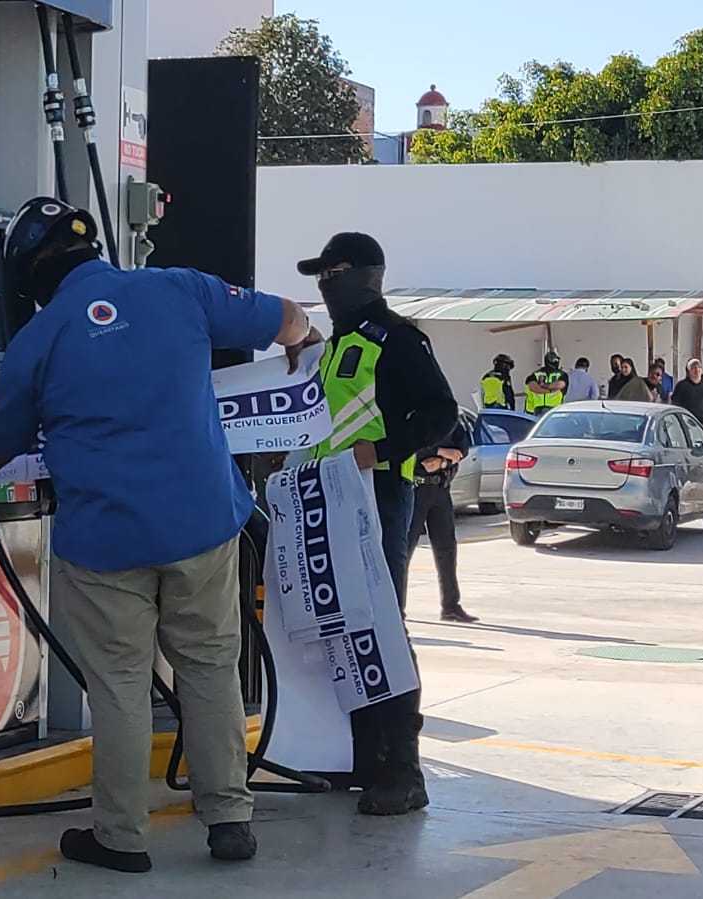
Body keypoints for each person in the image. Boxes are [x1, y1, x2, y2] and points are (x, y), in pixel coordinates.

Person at [0, 197, 322, 872]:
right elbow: (289, 317)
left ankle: (121, 837)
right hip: (202, 523)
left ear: (31, 271)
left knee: (121, 685)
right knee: (209, 668)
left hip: (105, 541)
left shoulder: (38, 339)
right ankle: (229, 819)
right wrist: (301, 340)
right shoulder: (179, 289)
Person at [298, 232, 456, 816]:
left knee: (383, 625)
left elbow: (441, 412)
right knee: (342, 626)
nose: (324, 284)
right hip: (329, 499)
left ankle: (404, 769)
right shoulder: (337, 344)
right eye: (319, 275)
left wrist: (382, 451)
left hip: (381, 498)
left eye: (333, 272)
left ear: (365, 274)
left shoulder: (397, 339)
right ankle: (362, 757)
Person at [406, 417, 479, 623]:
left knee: (446, 548)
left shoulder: (448, 418)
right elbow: (408, 447)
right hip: (416, 488)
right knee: (404, 549)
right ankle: (396, 607)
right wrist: (439, 451)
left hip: (441, 488)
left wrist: (442, 460)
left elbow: (461, 448)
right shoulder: (412, 416)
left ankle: (451, 607)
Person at [670, 358, 703, 424]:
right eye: (693, 368)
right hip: (686, 423)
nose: (697, 370)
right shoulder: (681, 386)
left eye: (699, 367)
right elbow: (676, 403)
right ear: (688, 371)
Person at [523, 351, 568, 416]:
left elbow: (560, 384)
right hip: (537, 409)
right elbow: (532, 386)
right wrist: (549, 390)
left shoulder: (561, 374)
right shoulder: (536, 374)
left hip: (553, 409)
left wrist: (543, 385)